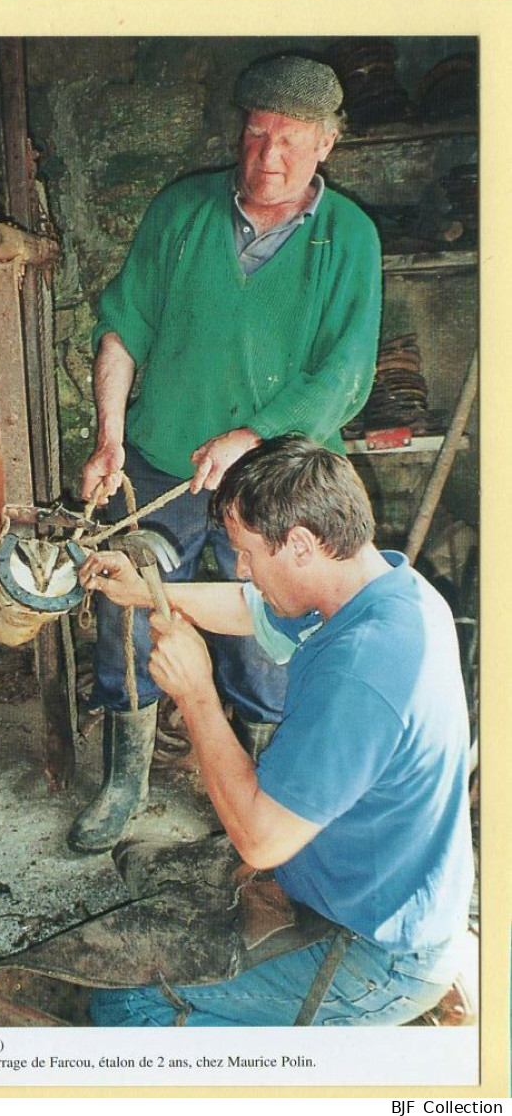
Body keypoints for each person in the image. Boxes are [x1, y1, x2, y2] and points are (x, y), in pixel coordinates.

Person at [70, 54, 383, 853]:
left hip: (279, 477)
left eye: (290, 140)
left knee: (271, 625)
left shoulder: (350, 238)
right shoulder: (180, 211)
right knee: (127, 597)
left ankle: (263, 782)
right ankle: (127, 777)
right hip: (163, 459)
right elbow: (123, 327)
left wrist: (257, 434)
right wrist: (109, 434)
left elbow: (346, 374)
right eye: (256, 133)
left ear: (326, 145)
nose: (268, 155)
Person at [78, 435, 474, 1026]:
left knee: (124, 1008)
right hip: (372, 884)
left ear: (301, 545)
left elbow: (259, 841)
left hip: (381, 951)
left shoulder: (364, 669)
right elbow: (250, 606)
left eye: (246, 552)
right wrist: (144, 590)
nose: (241, 567)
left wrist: (197, 694)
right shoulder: (385, 590)